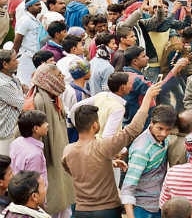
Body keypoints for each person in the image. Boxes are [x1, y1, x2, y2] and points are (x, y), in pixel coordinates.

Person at [62, 83, 162, 218]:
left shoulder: (68, 151)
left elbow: (76, 170)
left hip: (81, 211)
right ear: (95, 125)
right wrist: (147, 98)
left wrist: (107, 163)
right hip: (107, 210)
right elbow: (133, 129)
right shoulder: (103, 147)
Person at [30, 64, 74, 218]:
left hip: (60, 155)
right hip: (49, 161)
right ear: (49, 79)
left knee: (64, 199)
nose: (62, 78)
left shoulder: (54, 97)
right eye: (59, 75)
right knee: (53, 199)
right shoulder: (39, 101)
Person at [121, 105, 176, 218]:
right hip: (143, 209)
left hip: (159, 204)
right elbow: (128, 187)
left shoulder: (164, 139)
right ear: (151, 123)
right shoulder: (142, 150)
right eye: (160, 128)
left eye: (168, 130)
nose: (164, 134)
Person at [10, 111, 48, 188]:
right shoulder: (35, 155)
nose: (47, 124)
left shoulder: (16, 142)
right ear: (36, 129)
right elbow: (33, 184)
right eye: (44, 123)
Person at [13, 0, 44, 86]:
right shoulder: (25, 20)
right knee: (25, 82)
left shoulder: (35, 19)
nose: (40, 7)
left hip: (34, 56)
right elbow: (18, 39)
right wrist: (14, 55)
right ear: (29, 7)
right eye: (36, 5)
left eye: (40, 4)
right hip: (26, 57)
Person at [0, 51, 24, 155]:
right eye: (14, 60)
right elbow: (24, 105)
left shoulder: (14, 78)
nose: (18, 62)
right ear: (5, 64)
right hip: (6, 136)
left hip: (14, 132)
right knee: (7, 163)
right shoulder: (3, 84)